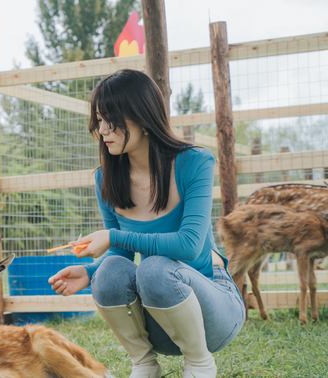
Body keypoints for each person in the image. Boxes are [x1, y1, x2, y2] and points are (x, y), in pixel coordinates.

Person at [48, 70, 244, 378]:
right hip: (161, 318)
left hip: (214, 312)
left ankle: (200, 364)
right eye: (98, 120)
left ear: (141, 115)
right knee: (110, 271)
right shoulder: (106, 179)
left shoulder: (195, 162)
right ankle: (144, 364)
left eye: (109, 119)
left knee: (154, 267)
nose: (102, 130)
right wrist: (90, 272)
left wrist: (112, 236)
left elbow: (191, 246)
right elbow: (122, 259)